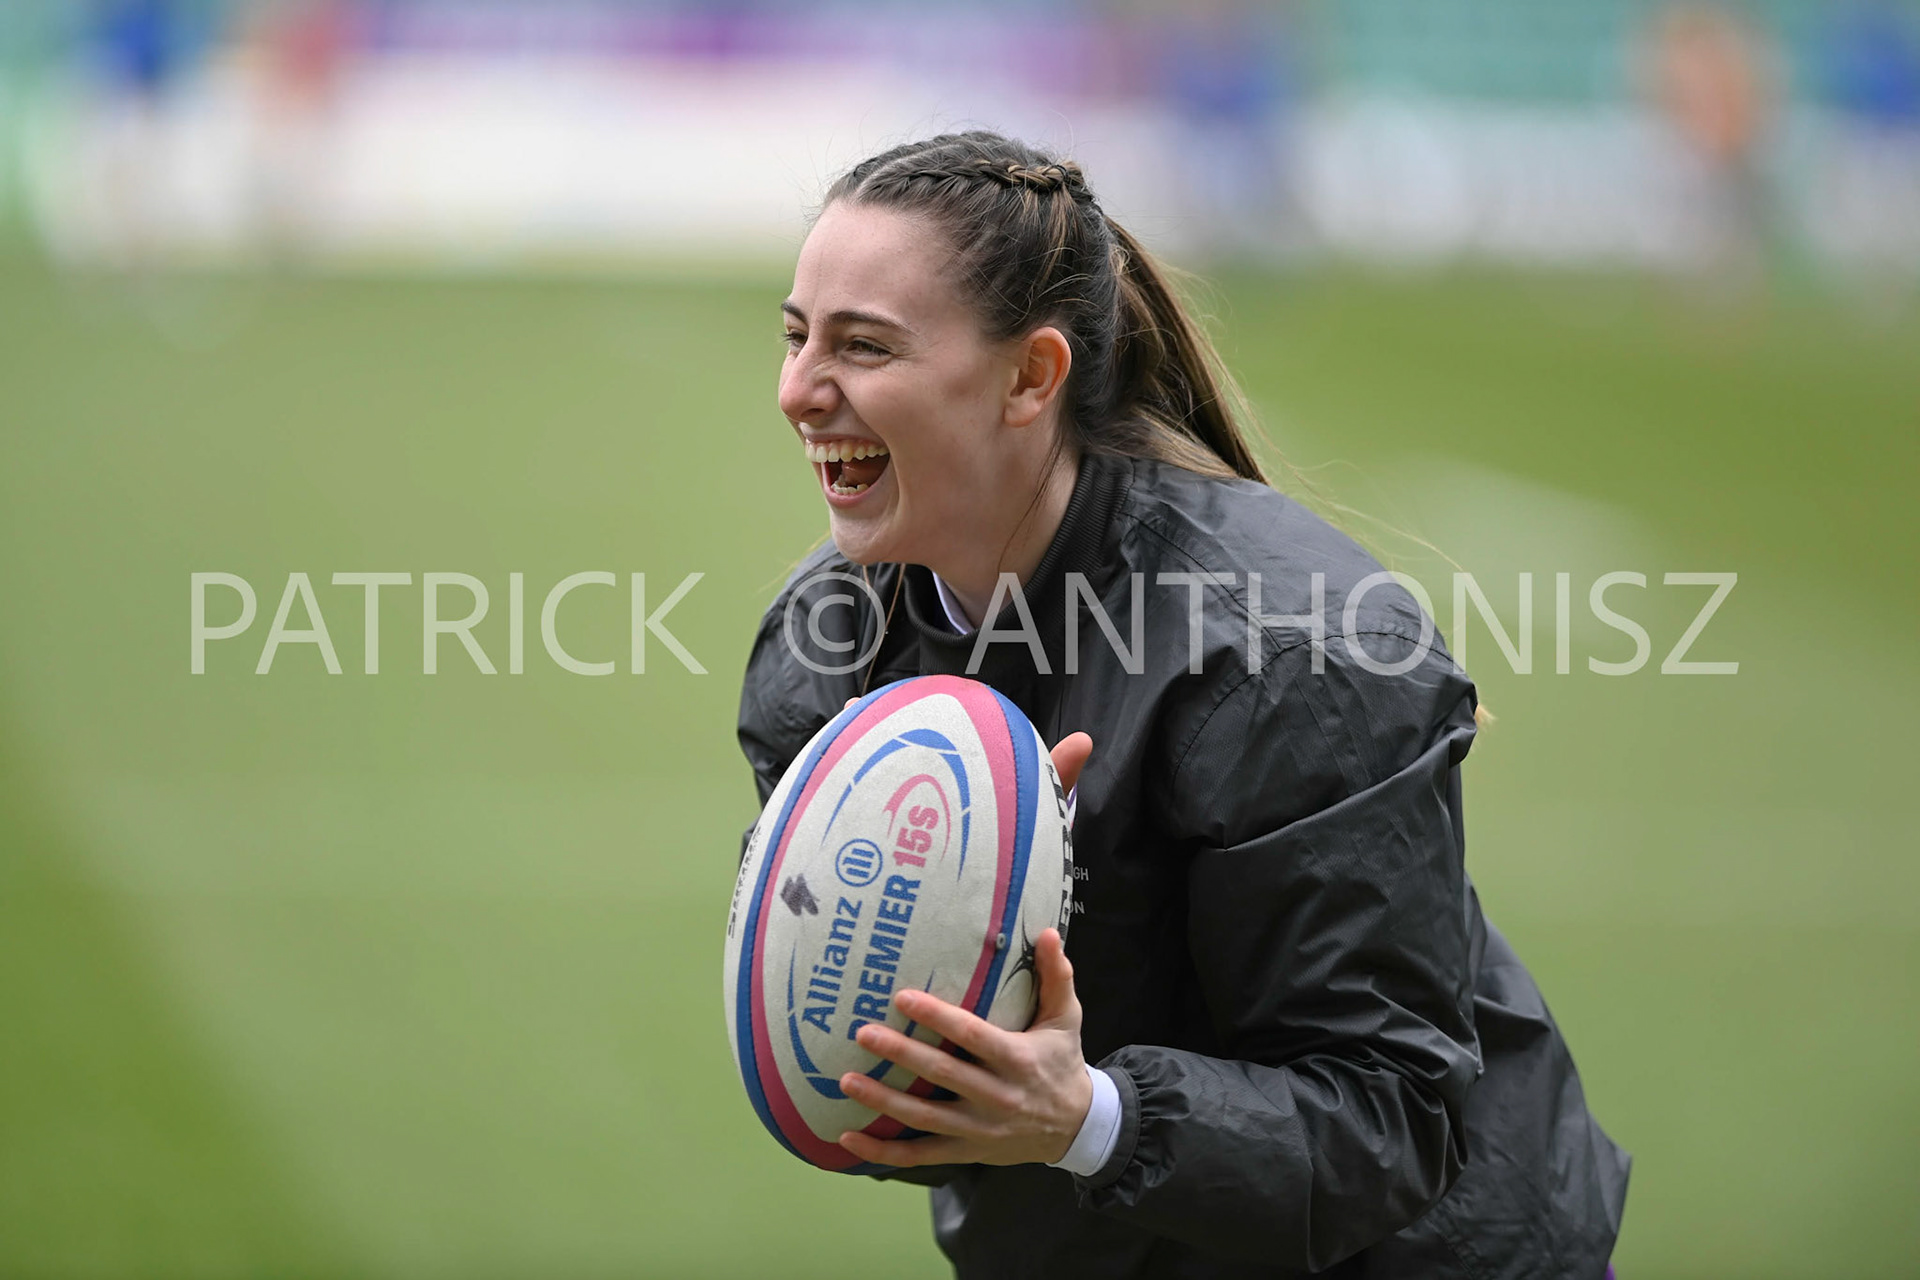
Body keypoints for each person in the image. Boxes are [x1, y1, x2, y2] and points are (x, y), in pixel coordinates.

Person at [737, 131, 1629, 1279]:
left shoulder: (1289, 653)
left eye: (864, 345)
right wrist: (914, 1060)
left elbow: (1393, 1121)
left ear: (1031, 377)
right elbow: (876, 1080)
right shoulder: (827, 651)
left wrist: (1089, 1115)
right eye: (797, 336)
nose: (800, 390)